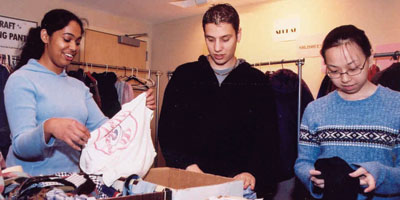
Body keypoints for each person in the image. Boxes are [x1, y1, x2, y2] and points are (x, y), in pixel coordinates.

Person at [4, 9, 155, 176]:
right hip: (29, 184)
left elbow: (104, 131)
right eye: (67, 39)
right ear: (45, 36)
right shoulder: (21, 79)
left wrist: (134, 111)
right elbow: (21, 147)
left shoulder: (78, 87)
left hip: (70, 183)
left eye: (77, 42)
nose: (73, 48)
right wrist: (50, 127)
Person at [158, 4, 280, 198]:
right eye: (210, 39)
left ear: (238, 35)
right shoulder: (184, 76)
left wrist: (251, 172)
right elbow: (167, 133)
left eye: (225, 39)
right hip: (190, 185)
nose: (217, 48)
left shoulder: (257, 81)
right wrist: (188, 167)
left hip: (239, 189)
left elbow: (268, 141)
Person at [294, 25, 400, 199]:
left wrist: (378, 174)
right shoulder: (315, 110)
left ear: (370, 58)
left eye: (353, 68)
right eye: (334, 71)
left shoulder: (396, 105)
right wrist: (313, 178)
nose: (344, 78)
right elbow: (303, 162)